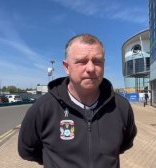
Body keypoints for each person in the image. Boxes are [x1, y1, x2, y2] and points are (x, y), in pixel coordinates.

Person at [18, 34, 137, 168]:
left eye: (97, 61)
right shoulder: (43, 108)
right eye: (82, 61)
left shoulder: (121, 107)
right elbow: (27, 150)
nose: (91, 68)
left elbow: (125, 144)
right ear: (66, 67)